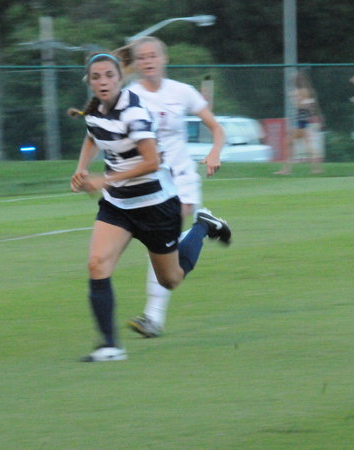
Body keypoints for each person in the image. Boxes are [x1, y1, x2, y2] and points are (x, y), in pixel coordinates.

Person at [70, 52, 231, 362]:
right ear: (89, 82)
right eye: (96, 77)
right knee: (97, 263)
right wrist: (81, 169)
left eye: (109, 75)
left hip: (155, 205)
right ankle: (109, 347)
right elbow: (92, 136)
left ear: (120, 78)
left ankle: (202, 226)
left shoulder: (133, 111)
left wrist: (105, 180)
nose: (103, 82)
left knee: (171, 279)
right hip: (118, 205)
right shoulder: (94, 110)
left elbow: (151, 161)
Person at [112, 36, 228, 339]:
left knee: (161, 244)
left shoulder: (182, 92)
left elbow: (216, 127)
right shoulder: (128, 95)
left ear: (164, 59)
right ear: (136, 64)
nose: (148, 61)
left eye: (153, 55)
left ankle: (153, 318)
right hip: (148, 183)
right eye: (142, 57)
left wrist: (215, 152)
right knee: (165, 254)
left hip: (182, 180)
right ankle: (203, 226)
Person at [275, 70, 324, 175]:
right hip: (304, 118)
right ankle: (316, 168)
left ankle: (287, 169)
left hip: (301, 119)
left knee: (289, 142)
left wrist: (292, 99)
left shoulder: (300, 91)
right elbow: (311, 106)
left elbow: (301, 105)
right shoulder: (308, 90)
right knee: (306, 144)